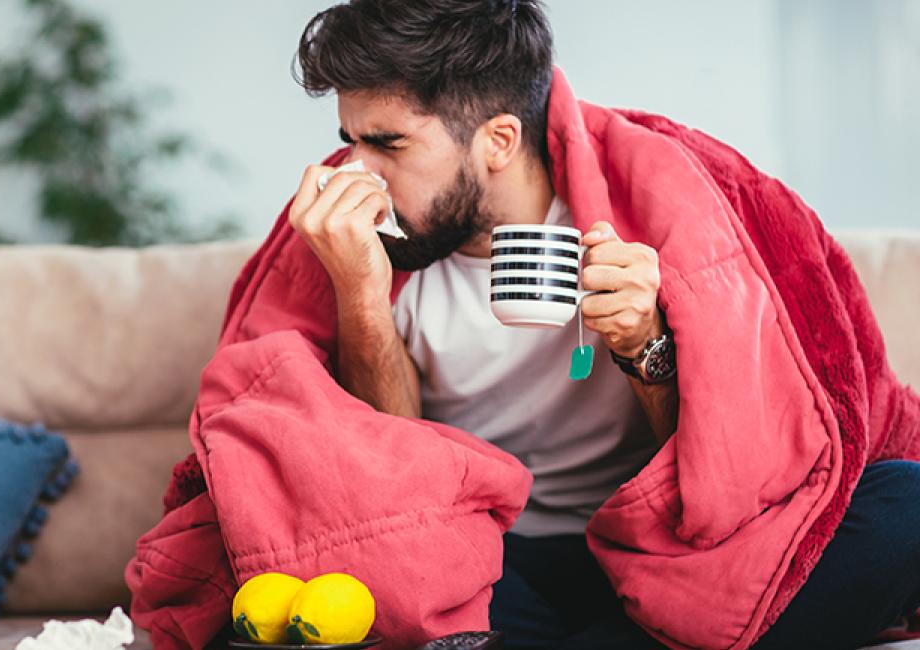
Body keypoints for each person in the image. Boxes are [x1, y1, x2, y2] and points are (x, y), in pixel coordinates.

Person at [285, 1, 920, 648]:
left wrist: (645, 342)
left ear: (498, 141)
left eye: (388, 143)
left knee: (907, 502)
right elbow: (392, 486)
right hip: (492, 560)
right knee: (396, 576)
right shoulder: (378, 252)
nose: (357, 171)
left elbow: (726, 473)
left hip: (660, 548)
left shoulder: (641, 212)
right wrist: (359, 292)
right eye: (350, 141)